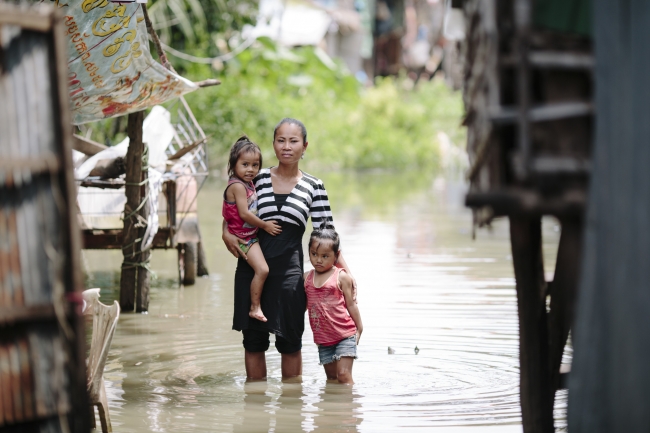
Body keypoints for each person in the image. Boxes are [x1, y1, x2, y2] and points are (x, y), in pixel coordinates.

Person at [222, 118, 356, 380]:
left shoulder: (314, 186)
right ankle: (255, 411)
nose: (286, 146)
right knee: (253, 342)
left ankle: (291, 413)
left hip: (289, 277)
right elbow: (232, 213)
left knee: (291, 342)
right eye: (281, 140)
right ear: (273, 145)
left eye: (293, 141)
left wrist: (347, 275)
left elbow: (327, 238)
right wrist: (224, 232)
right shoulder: (254, 177)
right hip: (252, 270)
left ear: (304, 146)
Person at [222, 136, 282, 322]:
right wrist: (265, 225)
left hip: (248, 235)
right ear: (234, 164)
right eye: (245, 164)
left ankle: (256, 306)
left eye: (255, 165)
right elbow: (244, 214)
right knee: (263, 270)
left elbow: (227, 213)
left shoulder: (248, 183)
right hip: (244, 238)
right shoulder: (238, 186)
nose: (250, 170)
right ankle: (255, 307)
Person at [304, 223, 363, 384]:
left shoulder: (341, 277)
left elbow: (351, 305)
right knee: (331, 379)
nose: (318, 260)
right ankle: (332, 409)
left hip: (345, 334)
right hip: (323, 339)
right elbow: (304, 306)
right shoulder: (306, 278)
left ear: (336, 256)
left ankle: (350, 407)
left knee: (343, 375)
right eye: (314, 254)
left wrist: (360, 328)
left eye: (325, 256)